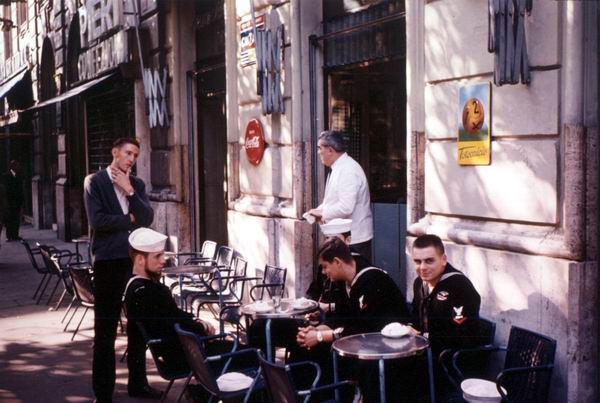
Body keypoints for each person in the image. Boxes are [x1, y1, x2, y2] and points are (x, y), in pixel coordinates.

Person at [124, 227, 257, 402]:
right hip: (187, 356)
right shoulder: (151, 292)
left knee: (241, 351)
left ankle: (201, 393)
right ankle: (205, 395)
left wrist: (196, 321)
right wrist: (201, 328)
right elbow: (172, 324)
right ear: (140, 260)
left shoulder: (134, 288)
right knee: (252, 355)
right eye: (157, 256)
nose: (163, 260)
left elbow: (172, 318)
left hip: (179, 353)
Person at [291, 237, 409, 402]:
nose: (323, 272)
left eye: (325, 267)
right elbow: (341, 316)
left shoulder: (372, 281)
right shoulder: (342, 280)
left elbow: (364, 329)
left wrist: (319, 337)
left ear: (337, 262)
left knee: (332, 357)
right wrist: (315, 331)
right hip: (364, 343)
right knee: (302, 347)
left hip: (389, 348)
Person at [83, 138, 154, 402]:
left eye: (135, 155)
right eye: (128, 153)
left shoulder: (137, 184)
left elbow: (147, 218)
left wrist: (129, 191)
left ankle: (138, 384)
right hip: (108, 263)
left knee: (138, 326)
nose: (131, 159)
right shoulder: (94, 182)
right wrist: (129, 219)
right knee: (105, 330)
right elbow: (97, 221)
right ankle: (103, 393)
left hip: (135, 263)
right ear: (115, 152)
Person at [409, 234, 482, 398]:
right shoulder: (419, 283)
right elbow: (415, 316)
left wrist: (424, 338)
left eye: (429, 261)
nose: (422, 267)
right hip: (427, 353)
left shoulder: (459, 286)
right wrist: (409, 328)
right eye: (417, 261)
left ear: (443, 259)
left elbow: (463, 336)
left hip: (453, 359)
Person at [305, 130, 374, 261]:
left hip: (354, 240)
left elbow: (346, 207)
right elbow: (333, 201)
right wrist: (317, 211)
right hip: (345, 238)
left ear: (330, 150)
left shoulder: (348, 170)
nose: (318, 152)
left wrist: (322, 213)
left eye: (320, 148)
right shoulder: (339, 167)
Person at [4, 160, 24, 241]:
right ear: (12, 166)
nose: (18, 167)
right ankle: (9, 236)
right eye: (16, 166)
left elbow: (21, 189)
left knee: (16, 219)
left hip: (17, 201)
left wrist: (22, 200)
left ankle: (15, 235)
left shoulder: (19, 176)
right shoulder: (6, 176)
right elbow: (6, 190)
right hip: (9, 201)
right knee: (9, 219)